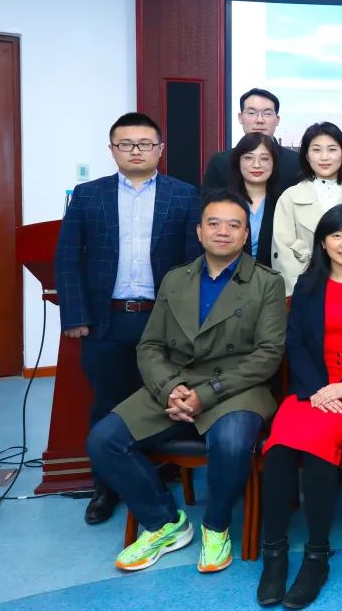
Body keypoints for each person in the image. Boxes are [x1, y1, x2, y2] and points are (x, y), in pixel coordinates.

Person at [86, 190, 286, 574]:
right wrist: (168, 388)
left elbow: (267, 356)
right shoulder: (176, 279)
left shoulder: (266, 283)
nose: (223, 232)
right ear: (199, 231)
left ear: (246, 235)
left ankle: (216, 527)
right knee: (103, 439)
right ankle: (165, 522)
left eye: (234, 225)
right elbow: (150, 346)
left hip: (236, 387)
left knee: (231, 442)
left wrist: (205, 395)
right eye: (214, 223)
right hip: (175, 382)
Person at [55, 112, 200, 525]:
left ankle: (155, 472)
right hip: (107, 320)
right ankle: (105, 488)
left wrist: (186, 320)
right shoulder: (89, 195)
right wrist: (76, 315)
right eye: (126, 144)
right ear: (112, 149)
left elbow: (192, 260)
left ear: (160, 149)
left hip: (163, 320)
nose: (136, 150)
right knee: (107, 404)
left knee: (160, 400)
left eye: (145, 143)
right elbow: (68, 258)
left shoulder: (184, 195)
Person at [257, 204, 342, 608]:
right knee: (278, 447)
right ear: (322, 242)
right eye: (336, 235)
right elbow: (295, 343)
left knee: (317, 446)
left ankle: (316, 556)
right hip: (310, 391)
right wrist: (318, 389)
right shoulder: (307, 283)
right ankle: (274, 554)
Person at [273, 122, 342, 295]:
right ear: (307, 156)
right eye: (316, 150)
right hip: (303, 290)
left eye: (332, 150)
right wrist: (300, 291)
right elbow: (283, 250)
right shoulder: (290, 197)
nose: (324, 157)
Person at [202, 88, 300, 192]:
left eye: (267, 113)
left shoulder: (296, 163)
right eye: (252, 113)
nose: (259, 120)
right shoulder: (220, 162)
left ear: (277, 120)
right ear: (240, 117)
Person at [227, 132, 280, 266]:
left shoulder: (283, 202)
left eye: (264, 158)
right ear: (238, 161)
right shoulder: (223, 202)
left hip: (273, 276)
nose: (256, 165)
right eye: (248, 157)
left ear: (274, 163)